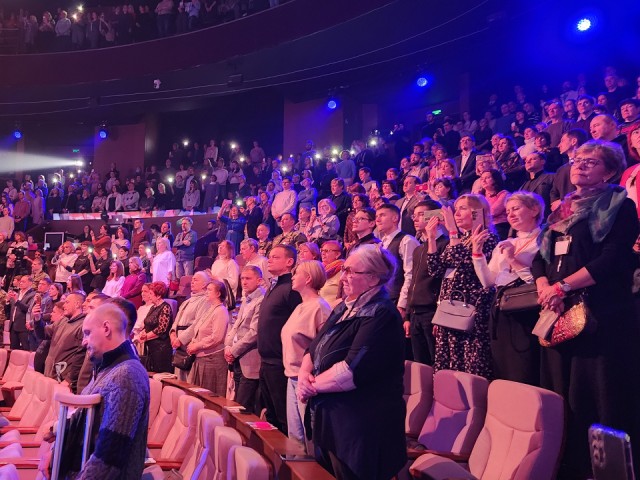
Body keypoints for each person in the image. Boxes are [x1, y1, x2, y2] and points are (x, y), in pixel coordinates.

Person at [531, 140, 640, 478]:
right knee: (570, 396)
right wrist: (544, 287)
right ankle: (575, 463)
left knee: (604, 395)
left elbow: (613, 259)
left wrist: (563, 286)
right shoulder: (564, 208)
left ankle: (610, 469)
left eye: (591, 162)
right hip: (562, 313)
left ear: (609, 171)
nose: (579, 165)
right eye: (577, 159)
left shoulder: (619, 205)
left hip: (603, 316)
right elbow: (540, 257)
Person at [297, 244, 406, 480]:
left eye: (350, 271)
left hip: (360, 428)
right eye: (344, 270)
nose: (342, 277)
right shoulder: (344, 308)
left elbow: (352, 370)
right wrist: (304, 374)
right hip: (332, 423)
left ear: (373, 279)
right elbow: (314, 347)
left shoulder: (382, 314)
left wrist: (310, 386)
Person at [59, 303, 149, 479]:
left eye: (87, 333)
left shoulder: (126, 375)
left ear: (106, 328)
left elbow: (108, 459)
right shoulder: (106, 367)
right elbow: (80, 417)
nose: (84, 342)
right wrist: (56, 448)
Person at [472, 192, 544, 385]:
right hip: (501, 310)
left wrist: (513, 259)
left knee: (524, 367)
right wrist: (477, 254)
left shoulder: (544, 240)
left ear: (534, 209)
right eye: (508, 211)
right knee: (502, 367)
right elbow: (489, 281)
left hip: (527, 311)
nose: (510, 214)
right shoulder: (506, 243)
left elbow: (538, 281)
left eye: (516, 208)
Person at [425, 194, 499, 378]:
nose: (456, 214)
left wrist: (451, 231)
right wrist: (432, 239)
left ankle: (472, 405)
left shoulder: (486, 238)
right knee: (448, 364)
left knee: (469, 364)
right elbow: (435, 270)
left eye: (462, 208)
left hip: (470, 310)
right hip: (449, 310)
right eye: (455, 209)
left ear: (478, 212)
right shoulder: (459, 239)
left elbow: (465, 265)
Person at [282, 260, 331, 449]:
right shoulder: (299, 307)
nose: (292, 277)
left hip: (307, 381)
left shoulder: (320, 308)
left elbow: (324, 348)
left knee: (310, 441)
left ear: (308, 278)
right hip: (291, 377)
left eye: (297, 273)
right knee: (294, 438)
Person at [257, 245, 303, 434]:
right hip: (266, 362)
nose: (270, 259)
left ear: (289, 262)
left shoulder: (291, 289)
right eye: (269, 256)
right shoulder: (275, 286)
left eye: (275, 257)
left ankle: (286, 460)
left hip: (280, 363)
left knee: (284, 418)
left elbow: (296, 324)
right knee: (272, 416)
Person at [224, 266, 265, 413]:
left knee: (244, 407)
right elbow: (236, 325)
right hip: (238, 358)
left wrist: (233, 351)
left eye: (248, 278)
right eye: (242, 278)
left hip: (250, 358)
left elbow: (254, 333)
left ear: (259, 280)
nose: (244, 282)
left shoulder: (261, 300)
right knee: (236, 405)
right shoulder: (246, 298)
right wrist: (228, 346)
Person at [185, 279, 230, 396]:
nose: (206, 292)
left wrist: (197, 345)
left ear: (218, 293)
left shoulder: (221, 311)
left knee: (209, 397)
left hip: (212, 360)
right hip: (202, 358)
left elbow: (216, 337)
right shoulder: (210, 309)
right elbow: (199, 330)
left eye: (209, 290)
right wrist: (193, 342)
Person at [170, 271, 214, 381]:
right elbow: (177, 320)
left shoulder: (205, 301)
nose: (192, 281)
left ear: (204, 284)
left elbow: (197, 324)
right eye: (192, 279)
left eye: (196, 279)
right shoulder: (187, 301)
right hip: (178, 343)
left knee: (188, 381)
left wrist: (181, 339)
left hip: (189, 344)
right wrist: (173, 334)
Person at [44, 292, 86, 392]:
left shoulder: (83, 325)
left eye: (67, 302)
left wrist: (69, 379)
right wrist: (37, 320)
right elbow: (45, 333)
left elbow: (81, 357)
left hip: (63, 377)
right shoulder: (63, 321)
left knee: (58, 406)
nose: (64, 305)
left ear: (77, 304)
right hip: (50, 372)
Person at [138, 282, 173, 373]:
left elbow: (162, 329)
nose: (149, 296)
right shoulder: (153, 307)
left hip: (160, 349)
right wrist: (143, 332)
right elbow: (147, 324)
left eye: (151, 293)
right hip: (150, 347)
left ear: (158, 296)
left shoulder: (165, 307)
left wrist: (146, 337)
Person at [7, 275, 37, 350]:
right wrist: (7, 301)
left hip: (23, 327)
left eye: (23, 281)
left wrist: (17, 300)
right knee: (13, 350)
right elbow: (9, 310)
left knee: (26, 349)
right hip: (13, 325)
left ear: (30, 283)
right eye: (20, 281)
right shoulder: (17, 293)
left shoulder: (33, 295)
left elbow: (28, 309)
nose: (21, 283)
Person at [481, 169, 510, 239]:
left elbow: (493, 211)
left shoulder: (504, 194)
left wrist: (481, 214)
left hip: (500, 226)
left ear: (495, 179)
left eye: (487, 178)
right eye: (482, 179)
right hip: (485, 227)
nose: (483, 181)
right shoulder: (481, 196)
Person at [318, 240, 345, 308]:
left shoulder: (342, 270)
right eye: (322, 250)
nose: (323, 253)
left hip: (332, 311)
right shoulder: (320, 269)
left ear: (337, 254)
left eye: (326, 251)